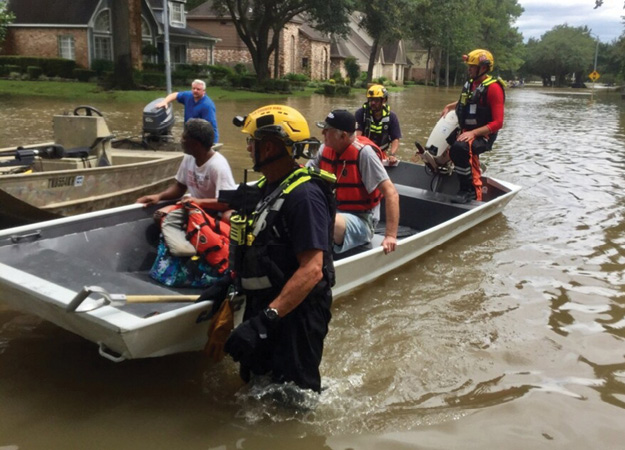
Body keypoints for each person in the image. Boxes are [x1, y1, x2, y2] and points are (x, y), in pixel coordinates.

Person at [223, 105, 336, 393]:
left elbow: (311, 270)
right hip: (266, 306)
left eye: (252, 142)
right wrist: (228, 284)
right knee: (254, 384)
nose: (248, 149)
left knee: (294, 400)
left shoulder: (304, 197)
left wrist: (265, 320)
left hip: (295, 313)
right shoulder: (268, 187)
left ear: (270, 146)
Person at [307, 109, 399, 255]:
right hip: (332, 209)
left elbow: (391, 193)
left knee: (325, 219)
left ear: (343, 136)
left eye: (326, 130)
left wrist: (390, 236)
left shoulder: (365, 154)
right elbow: (305, 175)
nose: (322, 133)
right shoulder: (325, 148)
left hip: (361, 219)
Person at [441, 49, 505, 203]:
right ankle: (458, 173)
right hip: (467, 131)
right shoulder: (471, 84)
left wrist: (474, 133)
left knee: (460, 148)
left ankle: (470, 191)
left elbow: (498, 123)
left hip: (484, 135)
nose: (468, 69)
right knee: (448, 146)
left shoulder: (494, 88)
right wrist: (450, 106)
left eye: (472, 66)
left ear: (483, 68)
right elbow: (467, 102)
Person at [136, 118, 235, 214]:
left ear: (196, 144)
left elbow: (226, 202)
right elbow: (180, 187)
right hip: (194, 208)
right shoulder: (189, 157)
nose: (181, 141)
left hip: (212, 212)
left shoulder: (218, 166)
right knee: (160, 215)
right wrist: (159, 196)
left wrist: (198, 202)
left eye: (184, 138)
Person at [156, 79, 220, 143]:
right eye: (193, 88)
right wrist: (165, 101)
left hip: (201, 136)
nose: (195, 91)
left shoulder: (207, 105)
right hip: (189, 133)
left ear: (204, 91)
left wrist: (213, 143)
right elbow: (175, 95)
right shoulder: (188, 96)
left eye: (198, 89)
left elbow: (211, 127)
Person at [355, 84, 402, 164]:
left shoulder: (391, 117)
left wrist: (392, 155)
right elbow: (357, 136)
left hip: (381, 153)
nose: (372, 103)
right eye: (371, 100)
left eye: (376, 100)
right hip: (362, 151)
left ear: (383, 100)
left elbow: (395, 139)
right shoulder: (361, 113)